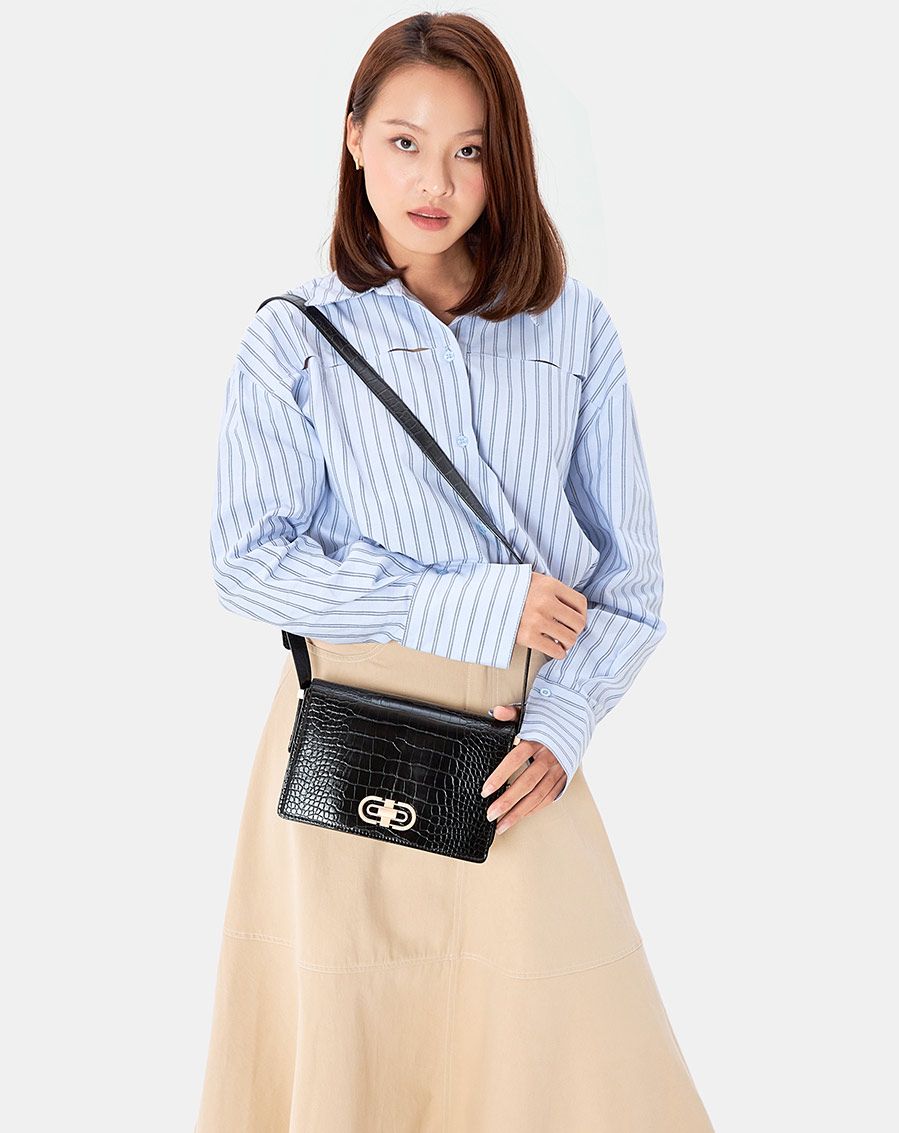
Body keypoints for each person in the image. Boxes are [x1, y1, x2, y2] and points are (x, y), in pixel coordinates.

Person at [195, 11, 715, 1132]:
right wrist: (465, 602)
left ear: (505, 158)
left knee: (571, 1057)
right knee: (360, 1048)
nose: (434, 181)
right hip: (347, 731)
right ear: (353, 140)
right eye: (404, 142)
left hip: (518, 742)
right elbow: (246, 564)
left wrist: (564, 725)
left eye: (469, 149)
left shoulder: (573, 327)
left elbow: (633, 581)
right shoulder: (295, 337)